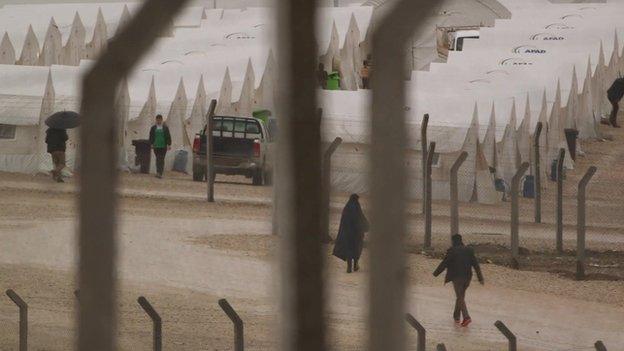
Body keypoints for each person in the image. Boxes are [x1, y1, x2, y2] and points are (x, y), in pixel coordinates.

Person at [433, 234, 484, 327]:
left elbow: (445, 263)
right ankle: (456, 316)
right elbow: (476, 265)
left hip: (457, 277)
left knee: (460, 297)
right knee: (460, 296)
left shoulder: (452, 251)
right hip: (468, 277)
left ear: (453, 241)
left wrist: (436, 273)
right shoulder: (469, 250)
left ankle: (466, 317)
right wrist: (480, 278)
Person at [332, 194, 369, 273]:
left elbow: (343, 222)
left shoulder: (347, 208)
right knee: (356, 250)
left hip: (348, 234)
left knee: (349, 250)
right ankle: (355, 266)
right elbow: (361, 218)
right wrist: (366, 226)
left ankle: (349, 268)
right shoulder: (356, 207)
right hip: (356, 234)